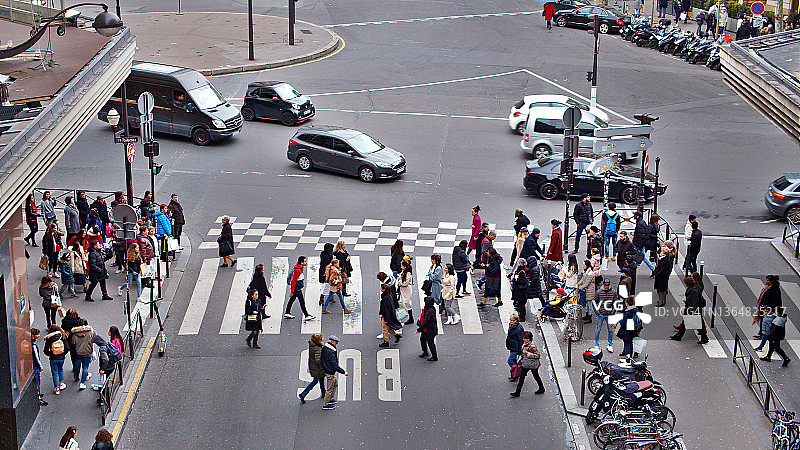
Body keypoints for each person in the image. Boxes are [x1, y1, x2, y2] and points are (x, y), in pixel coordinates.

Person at [670, 276, 708, 344]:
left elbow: (695, 303)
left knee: (697, 325)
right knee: (691, 324)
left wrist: (691, 311)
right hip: (692, 310)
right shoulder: (692, 289)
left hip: (693, 310)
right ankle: (679, 336)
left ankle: (704, 338)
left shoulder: (693, 291)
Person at [510, 331, 545, 397]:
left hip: (531, 364)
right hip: (526, 364)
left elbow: (537, 355)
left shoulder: (532, 346)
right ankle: (517, 392)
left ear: (528, 339)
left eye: (524, 338)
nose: (523, 339)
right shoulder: (525, 344)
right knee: (522, 378)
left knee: (536, 376)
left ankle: (541, 388)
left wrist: (527, 353)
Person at [321, 335, 348, 410]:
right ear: (332, 342)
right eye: (336, 342)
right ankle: (326, 404)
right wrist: (343, 372)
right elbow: (334, 365)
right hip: (330, 372)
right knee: (329, 389)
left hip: (327, 369)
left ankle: (331, 399)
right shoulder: (331, 352)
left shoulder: (325, 348)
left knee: (335, 384)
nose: (336, 344)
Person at [299, 333, 326, 403]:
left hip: (313, 366)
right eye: (321, 338)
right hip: (317, 368)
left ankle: (323, 392)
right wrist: (323, 367)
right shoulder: (318, 348)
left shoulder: (312, 345)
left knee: (320, 379)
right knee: (316, 381)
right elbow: (318, 360)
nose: (323, 339)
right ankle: (303, 393)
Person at [70, 319, 95, 390]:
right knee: (85, 367)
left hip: (78, 352)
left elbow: (73, 342)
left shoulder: (75, 334)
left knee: (77, 364)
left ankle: (76, 376)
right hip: (88, 351)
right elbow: (94, 339)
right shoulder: (91, 332)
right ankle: (82, 383)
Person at [754, 275, 782, 340]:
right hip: (764, 307)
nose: (766, 281)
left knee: (767, 321)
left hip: (770, 308)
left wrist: (768, 308)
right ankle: (762, 333)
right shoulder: (768, 287)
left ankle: (765, 334)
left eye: (768, 280)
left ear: (771, 281)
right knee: (762, 320)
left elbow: (775, 300)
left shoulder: (775, 289)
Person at [593, 279, 617, 353]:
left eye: (607, 285)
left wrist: (612, 312)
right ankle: (596, 344)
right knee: (598, 329)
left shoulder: (613, 292)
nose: (606, 286)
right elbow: (594, 302)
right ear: (603, 285)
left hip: (608, 314)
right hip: (601, 314)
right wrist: (597, 312)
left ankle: (610, 345)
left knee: (610, 330)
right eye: (605, 285)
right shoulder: (599, 292)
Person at [44, 325, 68, 395]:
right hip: (61, 358)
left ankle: (57, 388)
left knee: (54, 373)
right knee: (60, 370)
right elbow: (67, 347)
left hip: (53, 358)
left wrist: (51, 354)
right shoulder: (62, 336)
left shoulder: (49, 338)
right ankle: (61, 384)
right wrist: (62, 354)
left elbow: (46, 350)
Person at [417, 296, 439, 361]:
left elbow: (426, 322)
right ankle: (425, 352)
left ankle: (434, 356)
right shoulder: (430, 308)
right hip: (429, 329)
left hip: (430, 330)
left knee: (430, 342)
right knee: (423, 339)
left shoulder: (429, 311)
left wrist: (419, 329)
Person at [506, 313, 525, 380]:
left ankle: (517, 371)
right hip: (512, 346)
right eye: (510, 320)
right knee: (513, 361)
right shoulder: (512, 326)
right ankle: (514, 375)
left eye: (512, 320)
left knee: (510, 361)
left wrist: (520, 351)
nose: (510, 321)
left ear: (516, 321)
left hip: (515, 348)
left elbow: (521, 340)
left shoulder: (519, 329)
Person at [578, 259, 596, 323]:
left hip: (590, 291)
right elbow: (583, 279)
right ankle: (587, 315)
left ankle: (589, 317)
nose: (583, 266)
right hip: (587, 290)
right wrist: (578, 284)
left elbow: (586, 284)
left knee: (589, 304)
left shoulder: (590, 273)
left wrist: (579, 287)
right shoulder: (586, 272)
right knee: (588, 303)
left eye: (584, 265)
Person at [398, 260, 415, 325]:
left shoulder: (408, 273)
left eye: (402, 266)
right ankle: (410, 317)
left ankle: (411, 318)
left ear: (405, 267)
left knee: (407, 303)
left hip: (406, 290)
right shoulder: (404, 272)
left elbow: (406, 283)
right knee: (404, 302)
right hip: (403, 289)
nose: (401, 267)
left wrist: (400, 282)